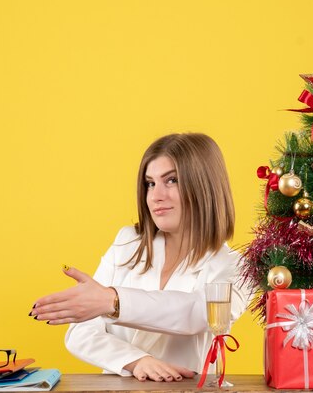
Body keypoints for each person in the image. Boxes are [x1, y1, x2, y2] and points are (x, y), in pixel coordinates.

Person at [30, 133, 250, 382]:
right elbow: (81, 332)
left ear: (204, 185)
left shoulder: (236, 266)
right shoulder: (128, 242)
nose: (156, 196)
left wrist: (113, 301)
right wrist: (136, 361)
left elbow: (199, 313)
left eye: (172, 180)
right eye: (150, 183)